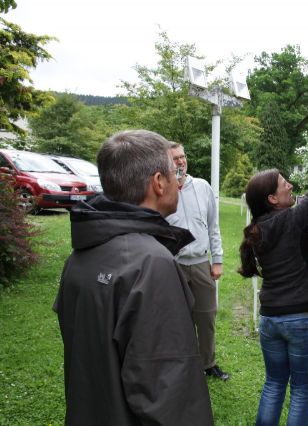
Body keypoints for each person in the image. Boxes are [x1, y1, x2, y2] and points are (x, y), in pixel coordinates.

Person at [54, 130, 214, 425]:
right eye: (173, 172)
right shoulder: (151, 264)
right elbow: (170, 393)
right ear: (159, 183)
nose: (179, 182)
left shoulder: (79, 257)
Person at [238, 118, 308, 426]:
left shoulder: (258, 229)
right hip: (302, 319)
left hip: (270, 319)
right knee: (301, 391)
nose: (290, 185)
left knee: (274, 384)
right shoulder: (293, 219)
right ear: (273, 199)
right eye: (284, 183)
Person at [165, 142, 228, 380]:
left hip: (201, 263)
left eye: (182, 156)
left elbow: (213, 226)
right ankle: (182, 366)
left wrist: (217, 259)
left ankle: (208, 363)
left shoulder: (202, 187)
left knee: (207, 316)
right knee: (178, 318)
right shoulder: (163, 189)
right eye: (174, 159)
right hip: (174, 264)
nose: (180, 162)